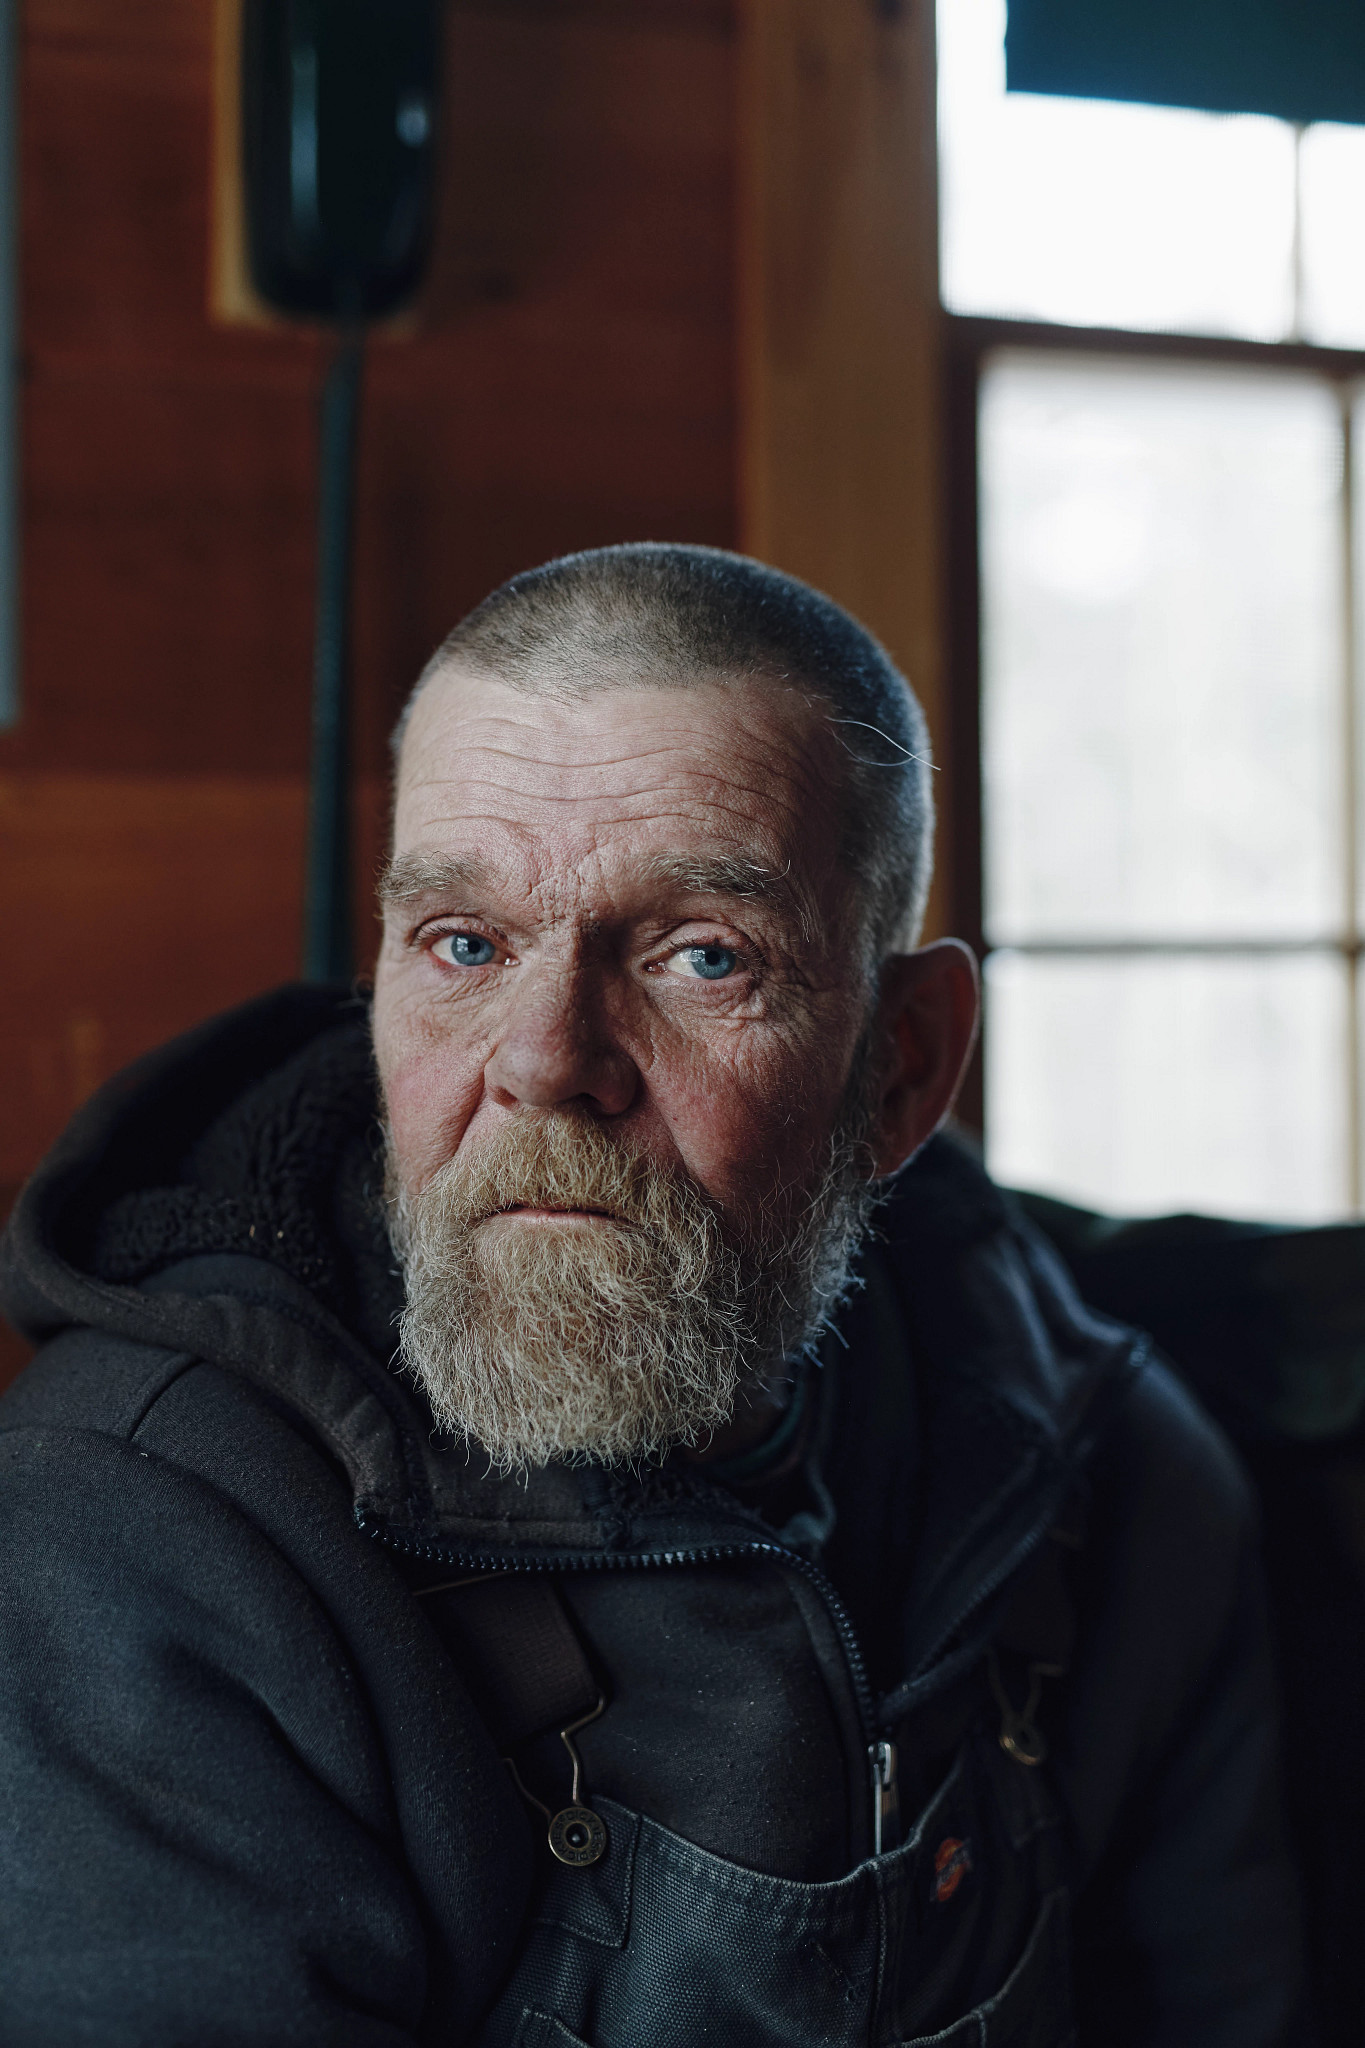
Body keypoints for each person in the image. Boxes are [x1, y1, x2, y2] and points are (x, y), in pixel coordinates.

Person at [0, 544, 1302, 2045]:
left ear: (900, 1065)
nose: (544, 1058)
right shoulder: (141, 1530)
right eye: (466, 945)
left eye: (700, 956)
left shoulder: (1100, 1472)